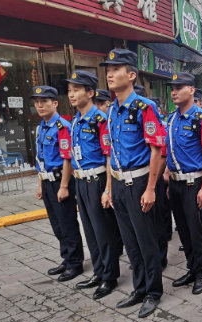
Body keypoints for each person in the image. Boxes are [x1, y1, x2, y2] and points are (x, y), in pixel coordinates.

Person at [102, 49, 167, 318]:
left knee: (146, 240)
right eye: (108, 69)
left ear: (130, 75)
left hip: (140, 183)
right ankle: (139, 288)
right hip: (118, 184)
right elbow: (110, 153)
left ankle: (153, 291)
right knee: (130, 242)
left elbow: (158, 149)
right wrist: (108, 188)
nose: (110, 73)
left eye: (116, 69)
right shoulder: (112, 111)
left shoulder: (145, 107)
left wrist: (151, 188)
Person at [66, 70, 122, 299]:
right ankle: (98, 272)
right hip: (81, 181)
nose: (71, 95)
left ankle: (109, 277)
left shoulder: (100, 120)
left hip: (98, 180)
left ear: (90, 93)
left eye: (76, 90)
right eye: (69, 90)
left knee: (103, 231)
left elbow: (109, 155)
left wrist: (108, 189)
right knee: (89, 231)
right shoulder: (75, 121)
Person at [166, 72, 202, 295]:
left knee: (196, 230)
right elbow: (169, 151)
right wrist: (168, 178)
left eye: (179, 87)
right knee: (183, 230)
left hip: (194, 184)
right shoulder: (171, 119)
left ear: (192, 90)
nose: (174, 92)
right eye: (172, 88)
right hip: (176, 184)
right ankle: (191, 268)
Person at [32, 85, 84, 281]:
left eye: (44, 101)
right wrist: (40, 184)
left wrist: (63, 187)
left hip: (60, 182)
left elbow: (67, 158)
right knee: (57, 225)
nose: (40, 105)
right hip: (47, 182)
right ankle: (67, 258)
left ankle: (75, 263)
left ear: (55, 103)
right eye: (37, 102)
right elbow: (40, 157)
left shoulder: (62, 126)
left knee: (67, 223)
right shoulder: (41, 128)